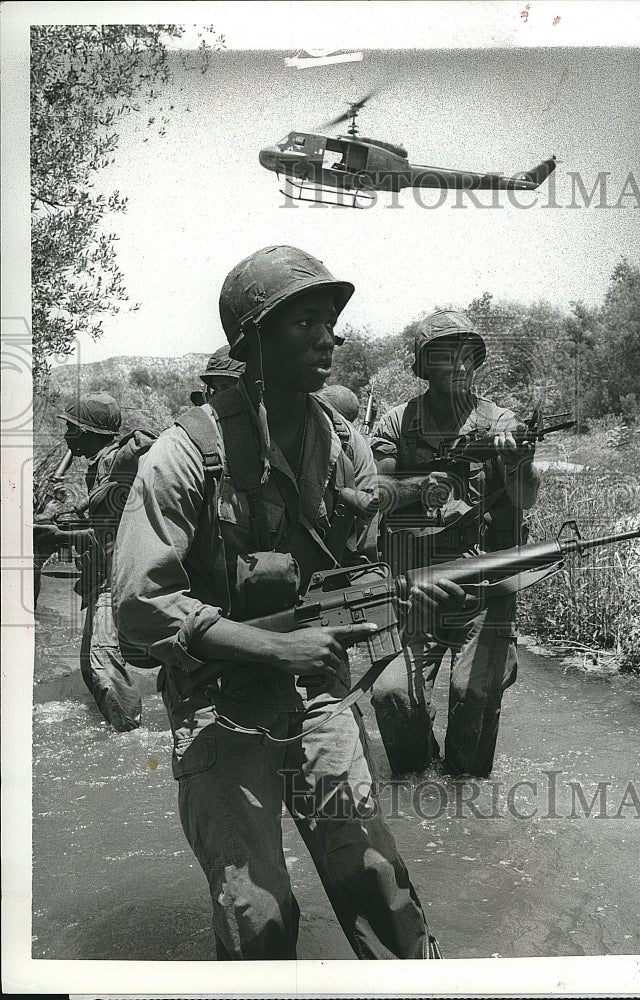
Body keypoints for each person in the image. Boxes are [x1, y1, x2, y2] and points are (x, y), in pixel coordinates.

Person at [112, 245, 459, 960]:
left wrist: (411, 586)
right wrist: (272, 646)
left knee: (374, 879)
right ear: (252, 341)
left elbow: (354, 569)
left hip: (319, 694)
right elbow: (140, 607)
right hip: (218, 703)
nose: (327, 336)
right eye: (303, 320)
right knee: (258, 910)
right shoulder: (182, 456)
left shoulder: (341, 443)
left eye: (330, 321)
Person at [370, 309, 541, 778]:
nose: (460, 367)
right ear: (425, 366)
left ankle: (467, 798)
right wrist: (426, 483)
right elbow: (377, 495)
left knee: (473, 694)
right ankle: (415, 783)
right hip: (411, 580)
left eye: (468, 357)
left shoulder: (499, 420)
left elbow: (524, 497)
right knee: (392, 694)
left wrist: (519, 461)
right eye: (446, 358)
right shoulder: (396, 423)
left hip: (483, 575)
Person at [34, 393, 142, 731]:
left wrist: (59, 537)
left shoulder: (115, 465)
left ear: (88, 432)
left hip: (116, 578)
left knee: (104, 663)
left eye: (71, 428)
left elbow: (111, 539)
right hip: (102, 578)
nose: (66, 435)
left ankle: (130, 740)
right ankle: (116, 729)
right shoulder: (100, 467)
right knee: (89, 664)